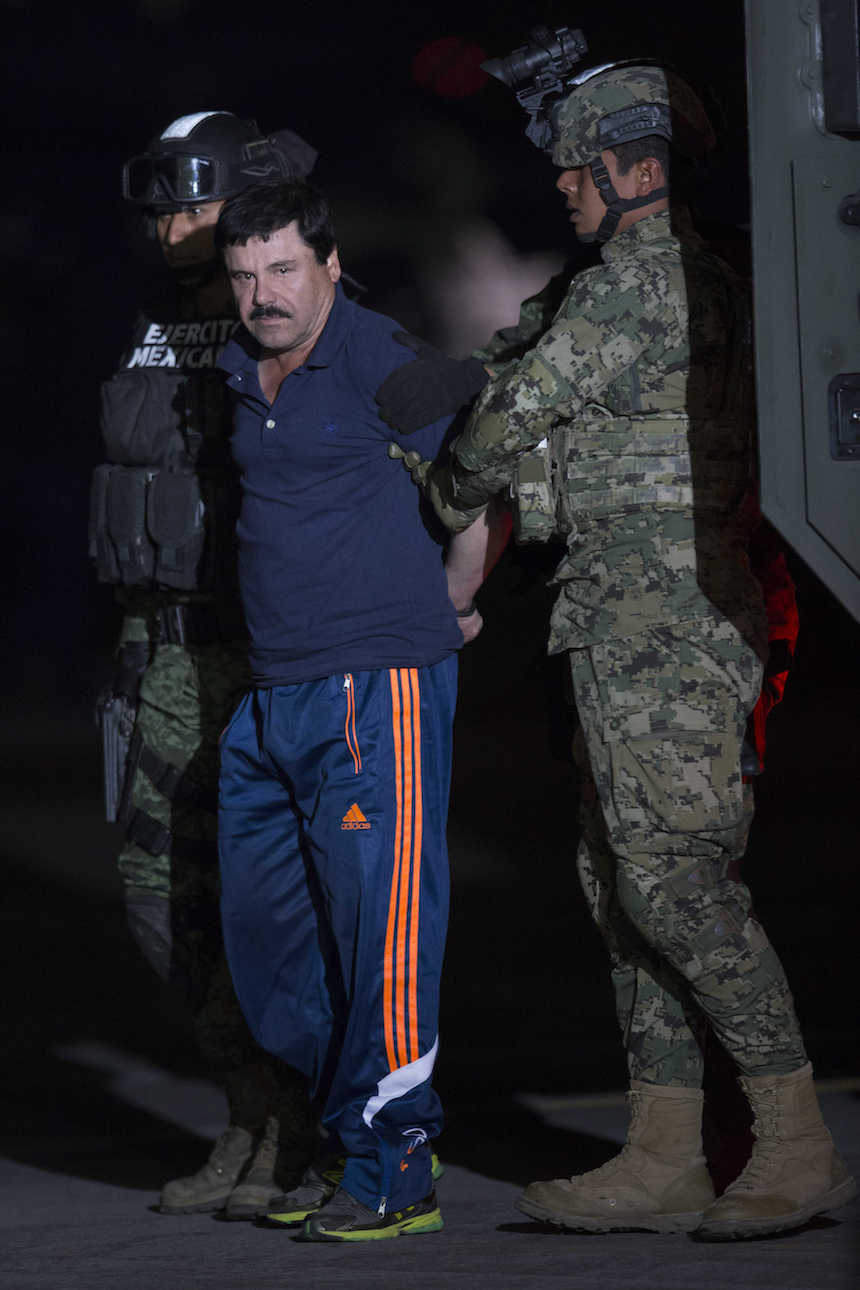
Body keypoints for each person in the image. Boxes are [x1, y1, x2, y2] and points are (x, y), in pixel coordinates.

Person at [378, 64, 856, 1240]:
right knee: (621, 887)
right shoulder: (688, 283)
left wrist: (446, 487)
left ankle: (794, 1143)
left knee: (676, 886)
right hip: (633, 611)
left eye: (574, 166)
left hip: (662, 621)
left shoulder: (633, 288)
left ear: (632, 169)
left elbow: (505, 420)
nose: (560, 185)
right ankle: (661, 1151)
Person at [213, 177, 506, 1242]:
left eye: (284, 268)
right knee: (274, 939)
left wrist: (453, 605)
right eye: (245, 275)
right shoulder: (236, 365)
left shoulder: (383, 358)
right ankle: (347, 1137)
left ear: (330, 265)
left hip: (372, 685)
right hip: (271, 694)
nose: (265, 294)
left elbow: (484, 485)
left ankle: (396, 1168)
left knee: (381, 933)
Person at [90, 111, 320, 1218]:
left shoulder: (283, 311)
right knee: (158, 899)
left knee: (270, 905)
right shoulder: (149, 318)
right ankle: (247, 1107)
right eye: (161, 210)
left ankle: (296, 1124)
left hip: (252, 650)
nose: (169, 227)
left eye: (191, 205)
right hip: (157, 649)